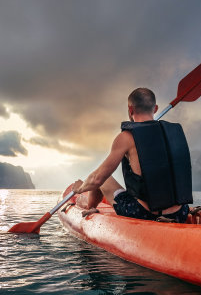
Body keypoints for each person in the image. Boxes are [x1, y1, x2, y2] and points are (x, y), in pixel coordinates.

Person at [70, 87, 192, 223]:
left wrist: (79, 188)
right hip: (180, 213)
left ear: (130, 109)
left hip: (144, 213)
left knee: (104, 178)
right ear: (155, 108)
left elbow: (97, 179)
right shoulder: (173, 133)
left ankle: (90, 208)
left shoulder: (126, 137)